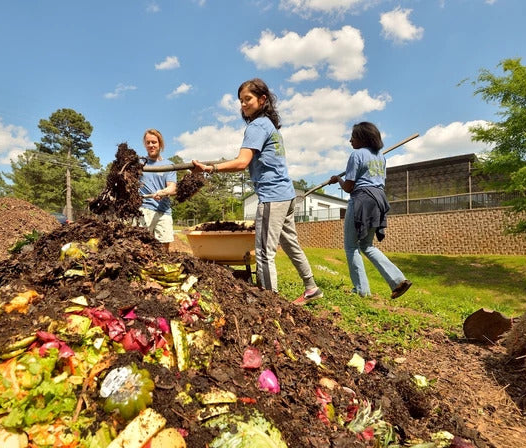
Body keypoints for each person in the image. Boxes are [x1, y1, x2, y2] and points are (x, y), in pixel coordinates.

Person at [192, 78, 321, 305]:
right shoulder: (269, 127)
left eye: (248, 99)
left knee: (263, 253)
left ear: (262, 100)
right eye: (241, 101)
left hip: (273, 196)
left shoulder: (257, 126)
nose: (243, 104)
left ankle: (271, 305)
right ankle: (311, 287)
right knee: (291, 244)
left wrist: (210, 168)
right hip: (287, 195)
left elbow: (242, 162)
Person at [329, 122, 412, 299]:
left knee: (351, 246)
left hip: (362, 199)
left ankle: (361, 291)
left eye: (353, 137)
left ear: (362, 138)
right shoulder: (380, 157)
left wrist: (338, 179)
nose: (350, 140)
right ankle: (398, 280)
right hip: (379, 199)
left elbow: (349, 187)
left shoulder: (356, 155)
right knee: (366, 245)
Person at [139, 129, 177, 251]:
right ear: (145, 144)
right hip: (144, 210)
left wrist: (163, 192)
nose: (151, 145)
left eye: (154, 142)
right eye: (148, 142)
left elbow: (172, 187)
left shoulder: (168, 165)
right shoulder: (139, 163)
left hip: (163, 211)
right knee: (141, 248)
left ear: (160, 144)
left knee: (163, 250)